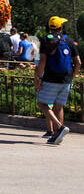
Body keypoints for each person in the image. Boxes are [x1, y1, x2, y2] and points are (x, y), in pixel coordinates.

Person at [35, 16, 78, 145]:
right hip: (66, 80)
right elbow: (78, 62)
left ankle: (59, 127)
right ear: (61, 27)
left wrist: (39, 77)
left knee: (42, 104)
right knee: (59, 107)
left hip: (50, 79)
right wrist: (73, 76)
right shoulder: (69, 41)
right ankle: (56, 136)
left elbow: (42, 61)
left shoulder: (46, 40)